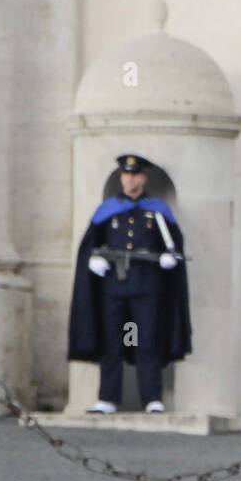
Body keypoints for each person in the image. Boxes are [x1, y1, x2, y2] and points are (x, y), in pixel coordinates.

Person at [68, 154, 191, 413]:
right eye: (125, 174)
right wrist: (93, 261)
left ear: (143, 178)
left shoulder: (157, 211)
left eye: (134, 174)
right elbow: (90, 245)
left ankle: (152, 398)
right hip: (113, 287)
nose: (129, 179)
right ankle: (108, 398)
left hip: (148, 286)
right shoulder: (108, 209)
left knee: (147, 340)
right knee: (112, 340)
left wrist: (170, 258)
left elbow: (174, 245)